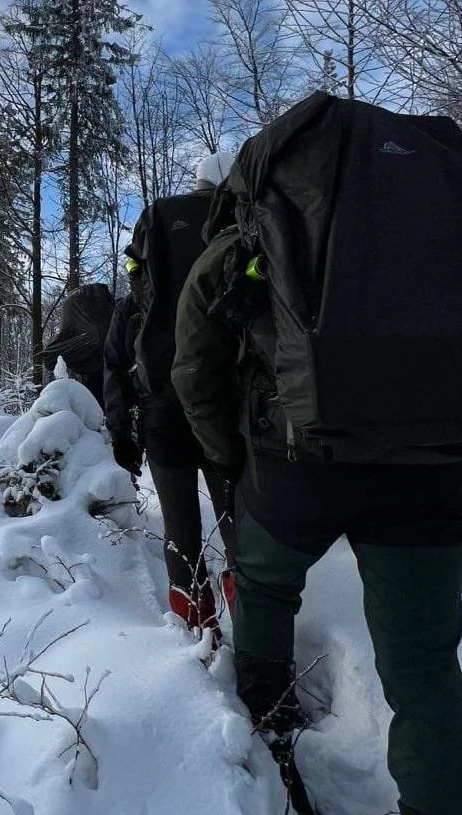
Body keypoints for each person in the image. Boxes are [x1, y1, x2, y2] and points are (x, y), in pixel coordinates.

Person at [172, 93, 462, 815]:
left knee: (265, 584)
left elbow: (192, 362)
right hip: (432, 461)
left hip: (295, 459)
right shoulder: (440, 211)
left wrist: (228, 464)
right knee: (425, 667)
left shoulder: (255, 222)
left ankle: (267, 724)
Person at [105, 153, 238, 636]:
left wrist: (121, 433)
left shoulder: (134, 306)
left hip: (163, 411)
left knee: (181, 532)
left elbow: (115, 366)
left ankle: (199, 637)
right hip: (229, 411)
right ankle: (255, 631)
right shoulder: (240, 230)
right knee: (238, 523)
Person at [40, 282, 113, 408]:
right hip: (96, 395)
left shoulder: (98, 334)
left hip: (98, 395)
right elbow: (50, 358)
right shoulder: (103, 330)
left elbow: (50, 358)